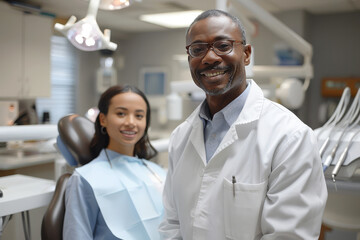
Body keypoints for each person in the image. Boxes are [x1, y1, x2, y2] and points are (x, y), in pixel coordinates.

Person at [159, 9, 327, 240]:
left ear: (246, 54)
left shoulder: (290, 137)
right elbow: (172, 223)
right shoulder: (181, 137)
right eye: (197, 49)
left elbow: (289, 236)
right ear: (190, 59)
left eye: (223, 46)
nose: (209, 57)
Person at [63, 85, 166, 240]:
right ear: (103, 119)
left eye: (139, 116)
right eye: (121, 113)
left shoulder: (158, 173)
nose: (131, 122)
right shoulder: (85, 179)